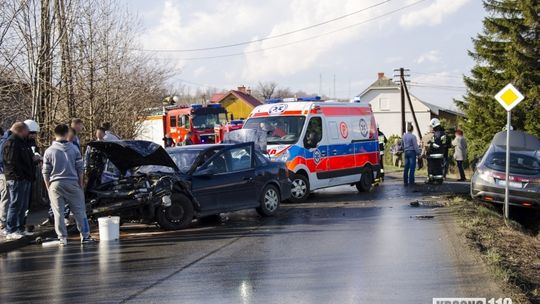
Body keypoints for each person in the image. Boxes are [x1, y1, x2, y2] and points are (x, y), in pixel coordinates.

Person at [42, 124, 95, 245]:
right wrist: (81, 184)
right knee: (80, 211)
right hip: (72, 182)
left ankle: (62, 238)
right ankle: (85, 236)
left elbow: (45, 171)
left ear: (55, 135)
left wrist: (48, 186)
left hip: (55, 184)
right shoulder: (74, 149)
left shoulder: (49, 151)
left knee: (58, 213)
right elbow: (80, 169)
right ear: (67, 134)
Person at [3, 122, 36, 240]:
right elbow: (11, 162)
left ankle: (19, 227)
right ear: (21, 130)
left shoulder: (21, 142)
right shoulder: (12, 142)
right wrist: (19, 176)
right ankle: (10, 228)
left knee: (22, 205)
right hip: (17, 178)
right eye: (27, 131)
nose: (29, 134)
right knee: (15, 203)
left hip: (24, 177)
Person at [0, 128, 11, 233]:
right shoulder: (4, 142)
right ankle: (3, 222)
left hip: (3, 172)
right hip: (3, 173)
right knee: (6, 197)